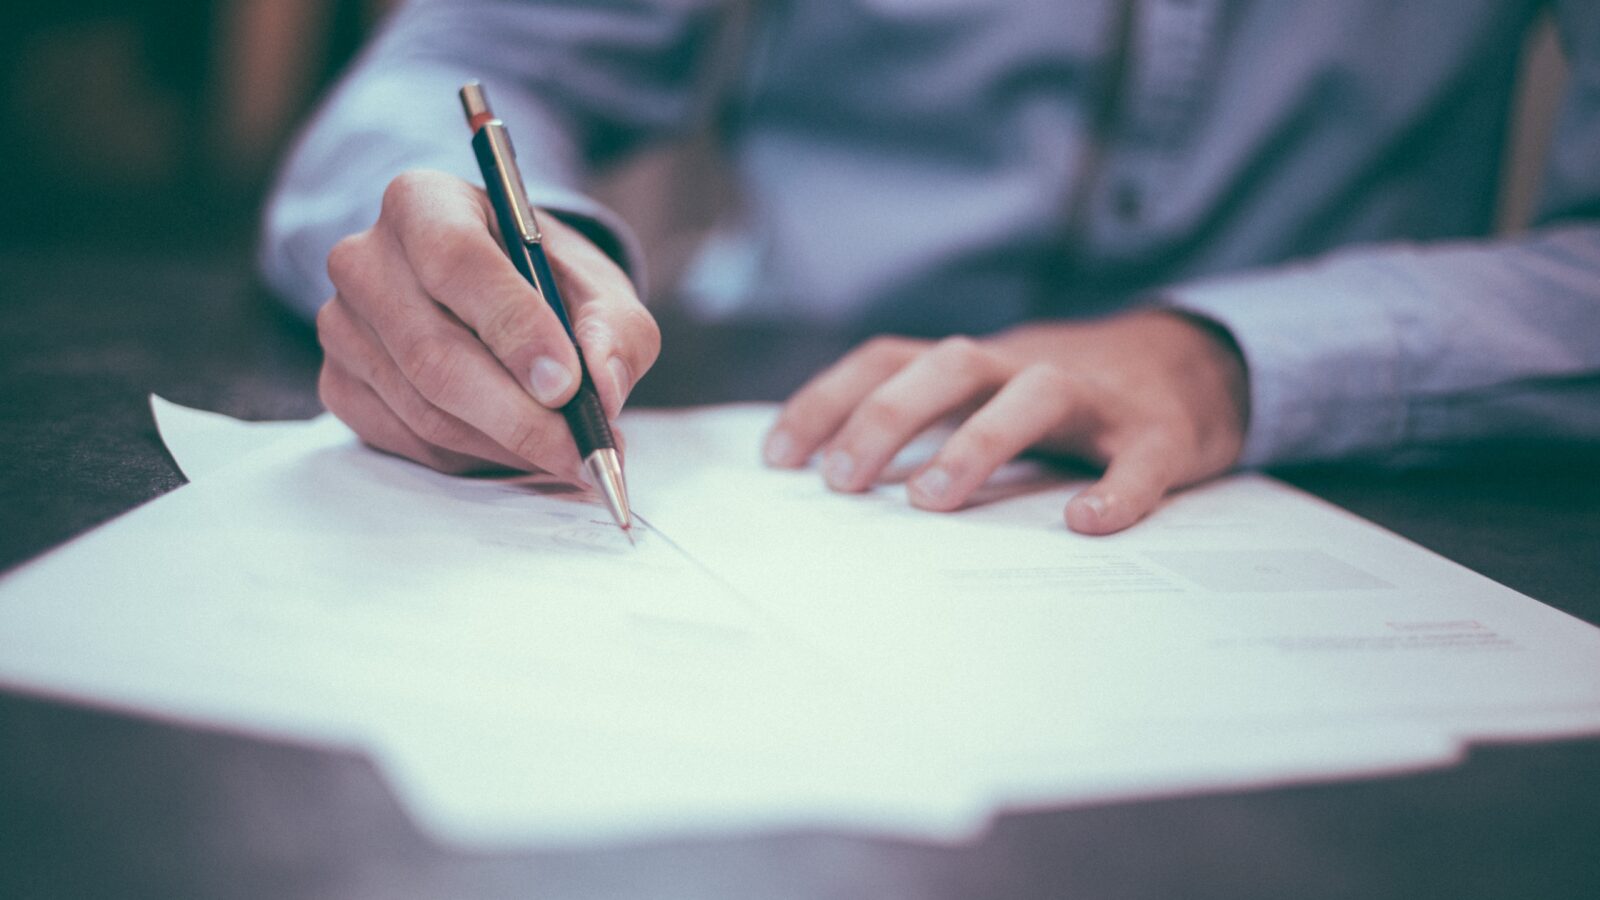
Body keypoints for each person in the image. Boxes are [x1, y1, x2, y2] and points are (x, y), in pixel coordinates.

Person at [260, 0, 1600, 535]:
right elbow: (453, 68)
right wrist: (503, 258)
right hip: (783, 427)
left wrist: (1228, 354)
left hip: (1337, 483)